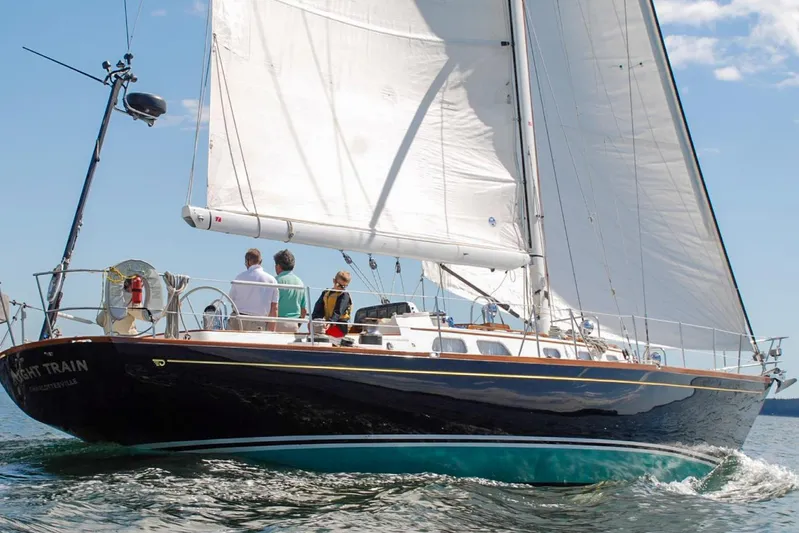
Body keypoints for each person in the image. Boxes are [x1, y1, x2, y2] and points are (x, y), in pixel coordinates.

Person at [228, 248, 279, 332]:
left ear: (247, 262)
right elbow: (274, 308)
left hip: (238, 320)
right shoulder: (272, 280)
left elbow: (231, 298)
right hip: (258, 323)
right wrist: (272, 332)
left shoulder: (239, 277)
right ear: (260, 261)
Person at [273, 249, 307, 333]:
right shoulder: (300, 283)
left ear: (278, 265)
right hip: (294, 325)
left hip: (277, 324)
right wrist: (298, 324)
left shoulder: (275, 281)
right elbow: (304, 310)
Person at [311, 270, 353, 338]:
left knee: (320, 332)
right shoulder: (326, 293)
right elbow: (318, 309)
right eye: (339, 285)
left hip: (339, 327)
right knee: (314, 328)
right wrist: (314, 320)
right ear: (334, 281)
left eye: (344, 287)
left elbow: (338, 311)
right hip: (328, 325)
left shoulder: (344, 296)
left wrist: (330, 322)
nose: (341, 288)